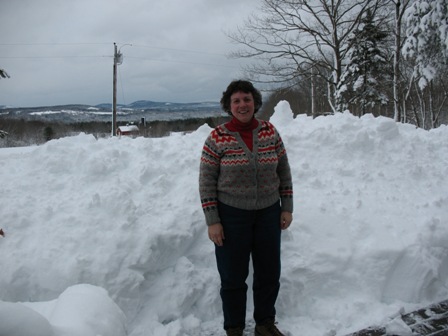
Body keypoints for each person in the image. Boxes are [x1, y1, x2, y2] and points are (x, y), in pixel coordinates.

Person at [199, 80, 293, 336]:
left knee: (269, 272)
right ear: (229, 106)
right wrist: (213, 220)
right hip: (231, 216)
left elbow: (283, 170)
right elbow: (206, 182)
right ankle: (234, 328)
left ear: (255, 103)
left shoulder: (269, 131)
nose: (243, 105)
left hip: (269, 213)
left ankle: (264, 323)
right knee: (232, 277)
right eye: (237, 101)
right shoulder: (217, 137)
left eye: (247, 99)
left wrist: (287, 206)